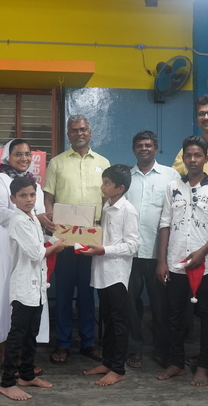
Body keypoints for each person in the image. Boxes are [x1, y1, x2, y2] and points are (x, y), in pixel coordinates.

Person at [0, 139, 55, 371]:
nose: (24, 158)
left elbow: (39, 215)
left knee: (27, 299)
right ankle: (6, 356)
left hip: (29, 248)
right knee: (3, 298)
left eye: (27, 154)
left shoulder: (34, 184)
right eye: (18, 154)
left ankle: (23, 356)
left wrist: (47, 226)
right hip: (3, 248)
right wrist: (30, 217)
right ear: (7, 157)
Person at [156, 136, 208, 386]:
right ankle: (176, 362)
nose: (193, 160)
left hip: (205, 266)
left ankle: (203, 366)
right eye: (188, 155)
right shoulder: (173, 186)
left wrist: (202, 251)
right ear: (183, 158)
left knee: (206, 316)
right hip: (176, 262)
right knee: (174, 315)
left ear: (206, 158)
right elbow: (165, 223)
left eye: (197, 155)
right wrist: (162, 261)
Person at [44, 114, 110, 364]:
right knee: (62, 293)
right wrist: (52, 232)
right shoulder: (57, 163)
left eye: (82, 129)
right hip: (63, 240)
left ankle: (88, 342)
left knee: (87, 292)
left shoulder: (103, 162)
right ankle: (62, 343)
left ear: (89, 132)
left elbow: (106, 200)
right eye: (74, 130)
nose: (79, 134)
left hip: (91, 239)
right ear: (68, 134)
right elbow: (48, 198)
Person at [0, 177, 65, 401]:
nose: (29, 200)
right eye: (23, 196)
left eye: (32, 195)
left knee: (31, 334)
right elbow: (36, 253)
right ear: (13, 198)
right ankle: (7, 383)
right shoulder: (18, 220)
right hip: (24, 287)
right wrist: (57, 246)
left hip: (37, 287)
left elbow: (41, 241)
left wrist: (60, 239)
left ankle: (27, 375)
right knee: (17, 335)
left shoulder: (32, 219)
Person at [80, 165, 139, 386]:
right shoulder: (107, 206)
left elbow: (132, 245)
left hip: (117, 273)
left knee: (119, 321)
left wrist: (104, 249)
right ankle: (107, 362)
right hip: (102, 271)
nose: (102, 187)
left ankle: (118, 369)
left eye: (107, 183)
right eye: (103, 182)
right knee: (106, 319)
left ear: (120, 188)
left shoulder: (128, 210)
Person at [124, 131, 178, 369]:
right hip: (130, 254)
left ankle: (162, 349)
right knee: (130, 304)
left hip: (159, 255)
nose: (144, 148)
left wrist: (164, 258)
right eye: (139, 145)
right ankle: (134, 348)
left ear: (155, 148)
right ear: (133, 149)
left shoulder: (170, 175)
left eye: (148, 145)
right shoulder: (126, 177)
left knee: (160, 305)